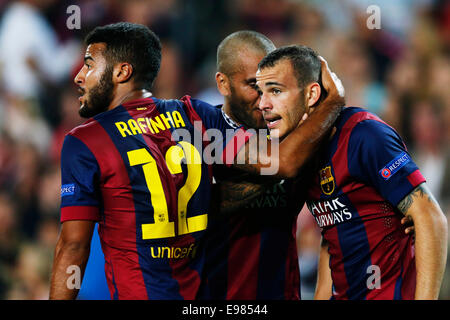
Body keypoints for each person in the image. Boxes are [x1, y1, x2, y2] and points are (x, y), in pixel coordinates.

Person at [49, 23, 345, 300]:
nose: (79, 75)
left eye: (88, 65)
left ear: (122, 71)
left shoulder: (86, 141)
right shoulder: (197, 117)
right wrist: (332, 99)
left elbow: (73, 245)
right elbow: (284, 162)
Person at [255, 45, 448, 300]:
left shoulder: (365, 135)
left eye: (276, 91)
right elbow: (332, 235)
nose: (263, 104)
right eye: (261, 93)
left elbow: (431, 220)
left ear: (312, 93)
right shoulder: (302, 156)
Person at [199, 31, 303, 299]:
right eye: (253, 86)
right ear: (222, 83)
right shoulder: (202, 131)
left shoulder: (292, 134)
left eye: (272, 87)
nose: (264, 100)